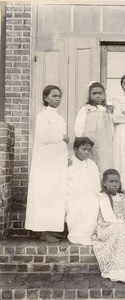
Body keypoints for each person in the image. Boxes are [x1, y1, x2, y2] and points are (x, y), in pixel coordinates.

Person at [25, 85, 69, 242]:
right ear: (45, 98)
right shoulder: (43, 116)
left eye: (59, 96)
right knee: (46, 193)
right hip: (46, 161)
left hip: (56, 160)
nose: (57, 99)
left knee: (55, 193)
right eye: (54, 96)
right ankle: (42, 231)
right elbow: (43, 137)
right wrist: (62, 138)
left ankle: (52, 227)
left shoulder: (58, 116)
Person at [65, 137, 101, 245]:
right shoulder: (68, 162)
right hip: (72, 197)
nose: (87, 152)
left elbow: (95, 185)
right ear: (75, 149)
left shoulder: (91, 164)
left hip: (89, 195)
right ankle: (78, 234)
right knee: (79, 206)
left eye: (89, 150)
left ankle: (89, 234)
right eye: (83, 149)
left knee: (94, 203)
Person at [74, 82, 114, 175]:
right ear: (90, 95)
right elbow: (79, 126)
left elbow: (111, 127)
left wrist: (111, 139)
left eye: (100, 93)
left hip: (105, 143)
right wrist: (80, 139)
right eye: (94, 94)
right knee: (91, 163)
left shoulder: (107, 110)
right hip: (90, 141)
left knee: (104, 163)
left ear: (104, 95)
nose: (97, 96)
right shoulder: (86, 109)